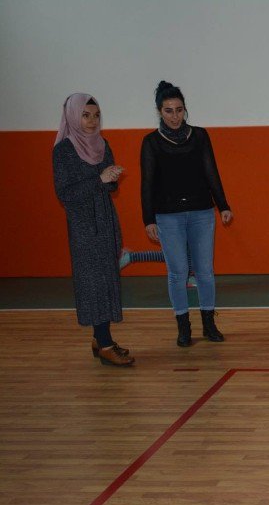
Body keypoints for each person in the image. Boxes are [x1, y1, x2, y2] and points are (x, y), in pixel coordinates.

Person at [141, 80, 232, 347]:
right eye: (168, 111)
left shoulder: (200, 136)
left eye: (179, 109)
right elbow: (147, 183)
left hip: (202, 212)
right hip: (168, 216)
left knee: (205, 271)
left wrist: (223, 205)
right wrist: (148, 219)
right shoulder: (151, 143)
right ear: (160, 112)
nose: (175, 115)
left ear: (185, 110)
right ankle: (183, 326)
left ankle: (209, 323)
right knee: (178, 272)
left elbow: (211, 171)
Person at [52, 93, 133, 367]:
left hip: (107, 221)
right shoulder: (63, 150)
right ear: (73, 116)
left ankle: (101, 339)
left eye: (96, 115)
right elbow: (65, 193)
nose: (91, 121)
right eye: (86, 115)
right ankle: (106, 344)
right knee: (94, 284)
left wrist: (112, 179)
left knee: (107, 282)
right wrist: (99, 179)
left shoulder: (102, 143)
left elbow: (110, 188)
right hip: (84, 227)